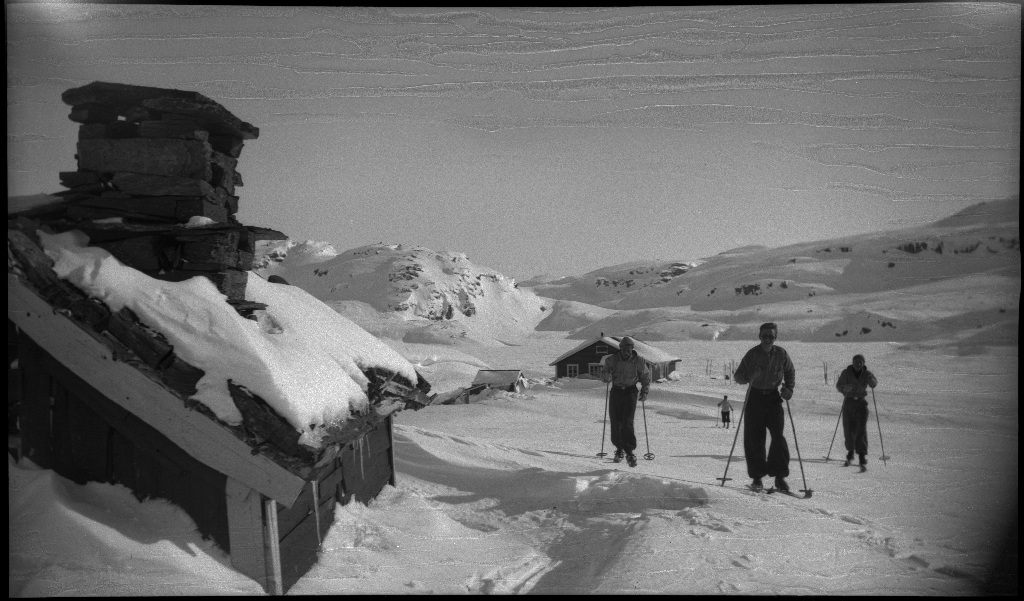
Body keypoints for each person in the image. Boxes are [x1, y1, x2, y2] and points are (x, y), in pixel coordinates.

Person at [732, 323, 796, 492]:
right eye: (764, 335)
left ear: (775, 338)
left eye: (771, 336)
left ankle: (780, 477)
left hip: (774, 398)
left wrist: (789, 388)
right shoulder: (752, 354)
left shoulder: (781, 354)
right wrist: (748, 376)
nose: (768, 339)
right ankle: (757, 478)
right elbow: (738, 377)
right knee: (754, 438)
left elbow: (790, 371)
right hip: (755, 397)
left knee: (778, 437)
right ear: (759, 336)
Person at [601, 336, 651, 467]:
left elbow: (646, 376)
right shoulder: (612, 360)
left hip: (630, 392)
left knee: (627, 421)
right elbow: (604, 373)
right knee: (615, 421)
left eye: (628, 349)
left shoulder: (638, 361)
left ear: (632, 349)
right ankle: (619, 449)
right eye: (623, 349)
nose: (626, 351)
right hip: (616, 391)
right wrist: (607, 376)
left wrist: (644, 392)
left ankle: (629, 451)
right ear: (620, 348)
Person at [835, 354, 878, 470]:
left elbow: (874, 382)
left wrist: (871, 381)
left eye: (861, 362)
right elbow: (838, 385)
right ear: (852, 362)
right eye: (856, 362)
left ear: (863, 363)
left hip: (861, 403)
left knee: (861, 429)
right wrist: (844, 388)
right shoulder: (846, 373)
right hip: (848, 402)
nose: (858, 364)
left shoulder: (866, 373)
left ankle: (862, 455)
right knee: (848, 429)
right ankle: (850, 452)